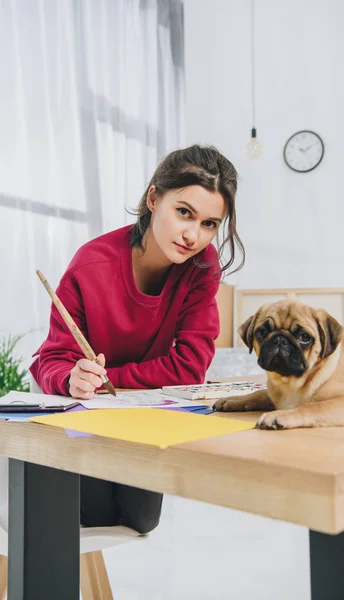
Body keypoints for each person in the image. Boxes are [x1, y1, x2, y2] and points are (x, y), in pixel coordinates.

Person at [30, 144, 245, 533]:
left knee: (141, 522)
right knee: (92, 518)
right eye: (184, 212)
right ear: (153, 199)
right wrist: (71, 377)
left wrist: (112, 378)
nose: (194, 235)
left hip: (144, 414)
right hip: (83, 413)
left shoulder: (202, 266)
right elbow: (53, 358)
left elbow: (191, 366)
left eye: (210, 223)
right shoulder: (91, 264)